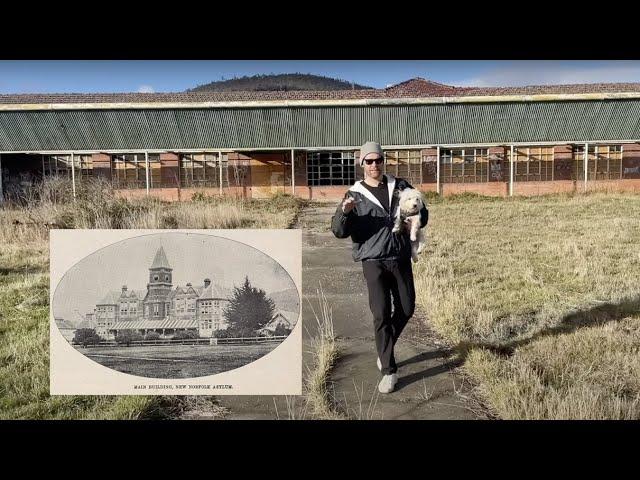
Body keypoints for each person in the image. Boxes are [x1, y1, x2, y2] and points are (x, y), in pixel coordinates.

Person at [331, 141, 428, 393]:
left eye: (378, 160)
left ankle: (384, 348)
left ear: (384, 161)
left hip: (400, 256)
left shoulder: (401, 186)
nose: (374, 165)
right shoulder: (354, 194)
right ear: (362, 164)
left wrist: (416, 219)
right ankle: (389, 370)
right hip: (373, 260)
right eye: (369, 161)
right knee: (381, 314)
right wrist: (345, 213)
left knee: (407, 308)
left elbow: (423, 213)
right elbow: (339, 231)